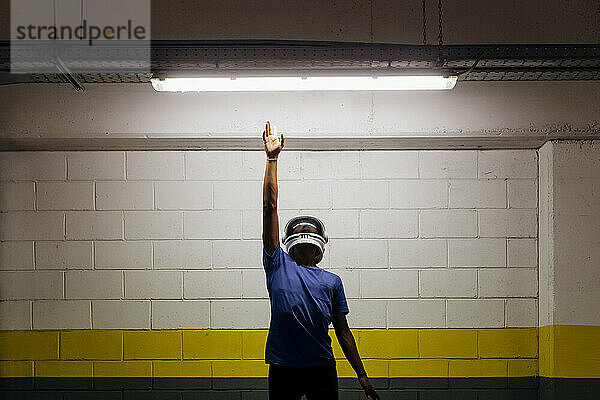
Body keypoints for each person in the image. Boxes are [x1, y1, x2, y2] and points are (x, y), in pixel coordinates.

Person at [261, 121, 380, 400]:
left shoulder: (332, 281)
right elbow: (269, 207)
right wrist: (272, 158)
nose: (304, 232)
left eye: (309, 231)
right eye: (299, 230)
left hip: (321, 369)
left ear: (320, 246)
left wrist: (361, 374)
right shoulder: (277, 264)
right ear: (290, 241)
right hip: (283, 368)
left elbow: (343, 332)